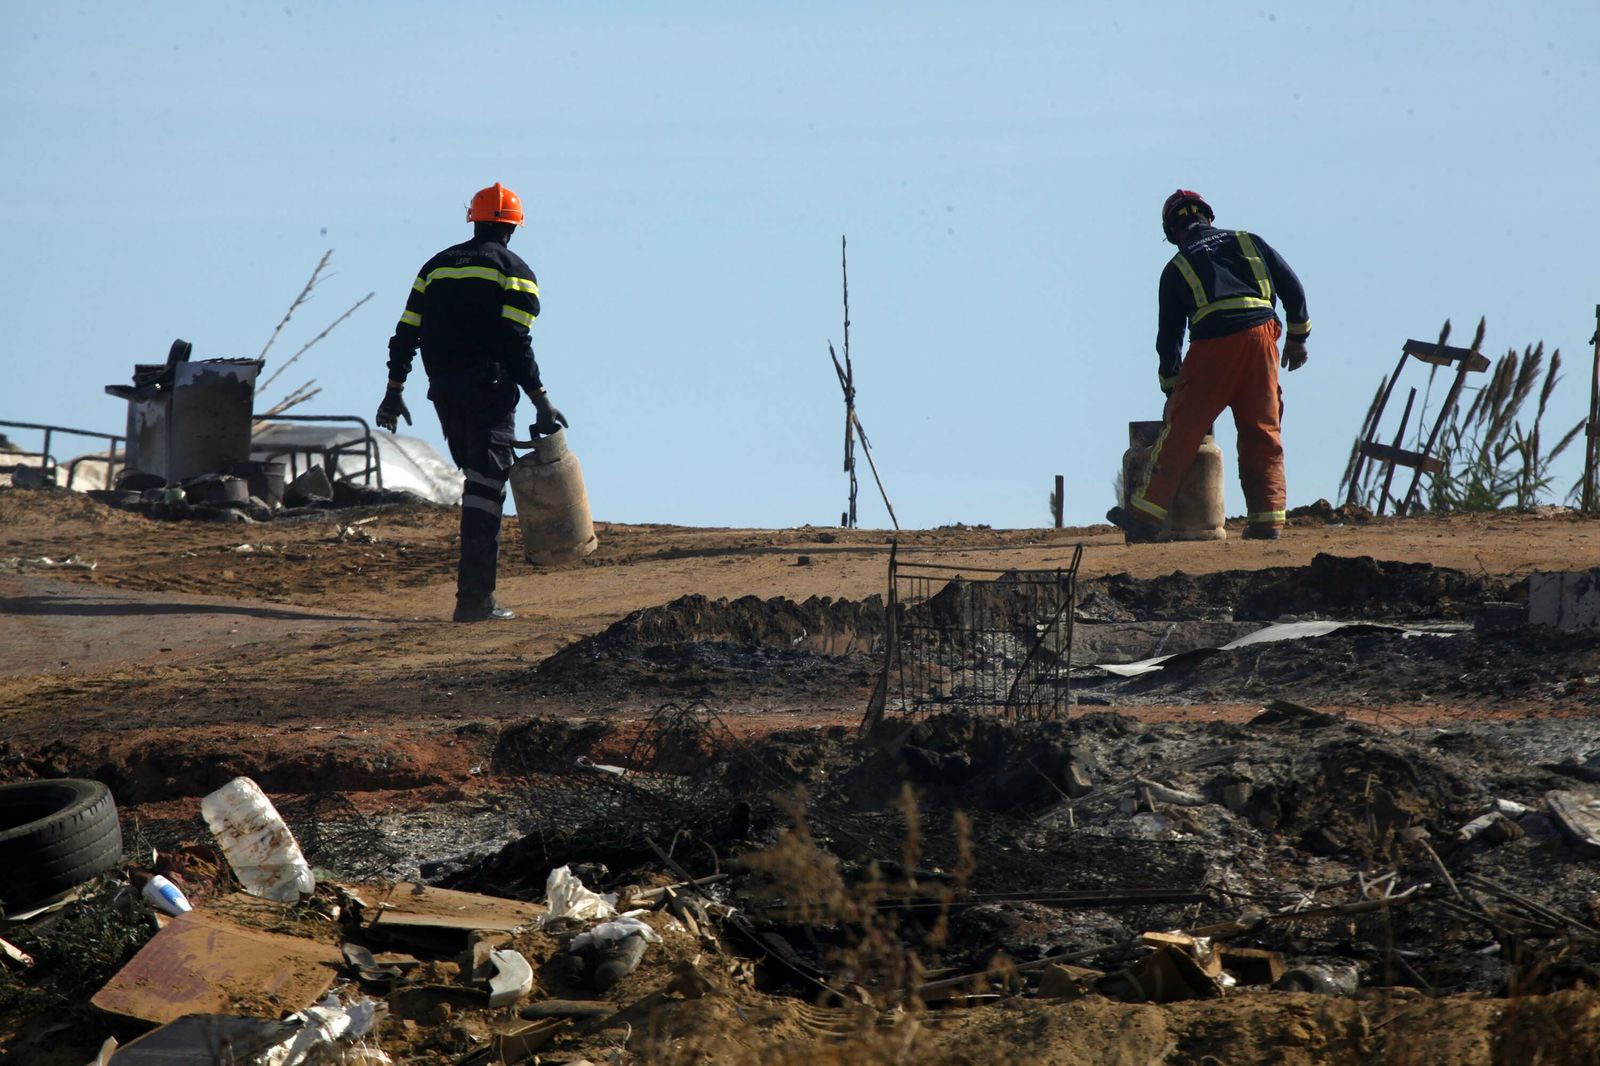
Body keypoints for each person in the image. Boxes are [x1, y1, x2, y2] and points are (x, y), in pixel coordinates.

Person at [376, 181, 567, 622]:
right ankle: (475, 601)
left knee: (477, 481)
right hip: (490, 389)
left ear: (474, 219)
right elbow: (515, 342)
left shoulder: (436, 267)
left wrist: (394, 391)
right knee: (485, 487)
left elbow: (405, 333)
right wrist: (541, 398)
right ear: (513, 227)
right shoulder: (514, 270)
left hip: (444, 391)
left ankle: (474, 596)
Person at [1107, 189, 1310, 544]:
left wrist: (1172, 392)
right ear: (1209, 217)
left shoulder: (1177, 267)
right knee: (1263, 432)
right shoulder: (1250, 241)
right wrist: (1297, 337)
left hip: (1214, 347)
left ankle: (1145, 521)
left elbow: (1169, 338)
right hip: (1262, 339)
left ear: (1172, 233)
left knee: (1181, 434)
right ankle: (1267, 523)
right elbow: (1292, 287)